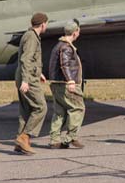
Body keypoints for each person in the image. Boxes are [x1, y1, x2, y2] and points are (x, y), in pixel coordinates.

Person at [14, 12, 48, 154]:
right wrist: (26, 81)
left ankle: (20, 143)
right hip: (27, 79)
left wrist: (38, 72)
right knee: (41, 107)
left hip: (26, 76)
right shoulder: (32, 37)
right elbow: (25, 59)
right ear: (43, 24)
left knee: (26, 111)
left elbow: (30, 59)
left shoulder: (30, 35)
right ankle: (24, 136)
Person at [48, 19, 85, 148]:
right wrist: (70, 81)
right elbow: (65, 65)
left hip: (56, 83)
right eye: (78, 31)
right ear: (75, 33)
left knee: (59, 112)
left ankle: (54, 140)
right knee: (78, 108)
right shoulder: (66, 47)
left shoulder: (58, 45)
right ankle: (71, 137)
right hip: (65, 84)